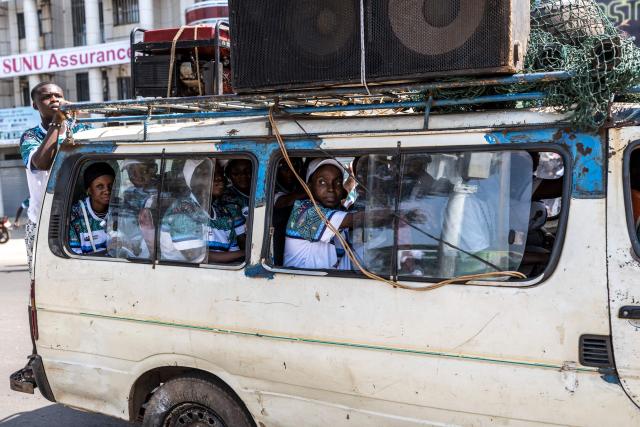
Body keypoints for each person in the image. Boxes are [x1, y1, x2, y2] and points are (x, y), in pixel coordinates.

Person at [20, 82, 91, 270]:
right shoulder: (31, 136)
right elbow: (42, 163)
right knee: (43, 281)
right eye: (46, 97)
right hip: (43, 222)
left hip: (83, 217)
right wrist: (57, 122)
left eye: (58, 96)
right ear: (35, 105)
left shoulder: (82, 130)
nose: (53, 99)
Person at [283, 158, 355, 270]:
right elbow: (358, 219)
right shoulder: (303, 213)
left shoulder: (338, 211)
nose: (331, 189)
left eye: (337, 182)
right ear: (309, 187)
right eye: (322, 182)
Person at [68, 163, 115, 255]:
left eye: (111, 185)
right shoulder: (74, 215)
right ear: (89, 190)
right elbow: (74, 259)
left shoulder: (121, 208)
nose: (107, 191)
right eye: (100, 186)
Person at [207, 161, 247, 263]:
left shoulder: (222, 211)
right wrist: (248, 253)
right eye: (210, 174)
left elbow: (234, 247)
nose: (219, 178)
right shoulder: (184, 211)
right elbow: (196, 255)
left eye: (220, 174)